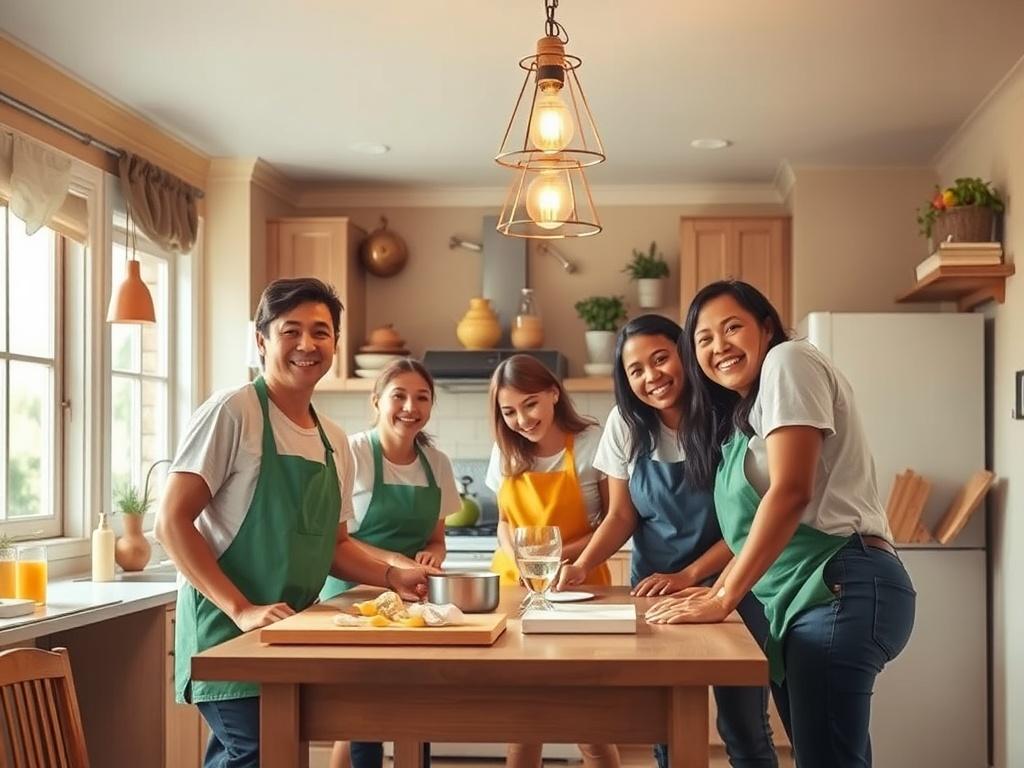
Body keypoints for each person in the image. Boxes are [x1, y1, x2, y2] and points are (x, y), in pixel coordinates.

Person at [157, 277, 428, 768]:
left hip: (292, 638)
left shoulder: (334, 439)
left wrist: (393, 577)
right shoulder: (234, 411)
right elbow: (171, 522)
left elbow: (334, 546)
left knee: (270, 754)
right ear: (261, 341)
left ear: (336, 345)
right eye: (291, 331)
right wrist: (241, 609)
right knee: (259, 753)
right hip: (230, 633)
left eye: (321, 332)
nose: (307, 345)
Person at [648, 280, 916, 767]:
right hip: (800, 602)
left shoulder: (788, 362)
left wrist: (723, 596)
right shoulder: (743, 417)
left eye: (732, 327)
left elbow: (791, 491)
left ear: (766, 327)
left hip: (840, 584)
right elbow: (753, 530)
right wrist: (708, 588)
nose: (719, 346)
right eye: (703, 339)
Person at [558, 315, 777, 768]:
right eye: (635, 370)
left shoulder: (729, 415)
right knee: (665, 727)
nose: (651, 376)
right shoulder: (626, 423)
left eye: (661, 358)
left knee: (743, 728)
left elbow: (753, 522)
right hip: (654, 594)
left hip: (733, 586)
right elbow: (621, 515)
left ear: (685, 353)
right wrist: (583, 565)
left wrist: (690, 575)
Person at [321, 358, 460, 768]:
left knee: (415, 704)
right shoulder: (353, 451)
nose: (410, 407)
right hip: (352, 595)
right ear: (376, 400)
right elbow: (341, 538)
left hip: (412, 601)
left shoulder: (437, 463)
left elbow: (437, 538)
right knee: (362, 712)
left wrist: (433, 554)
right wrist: (395, 561)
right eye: (398, 395)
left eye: (422, 398)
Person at [486, 354, 619, 768]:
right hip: (514, 591)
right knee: (523, 718)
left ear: (553, 394)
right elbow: (505, 522)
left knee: (587, 715)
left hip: (579, 585)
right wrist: (518, 558)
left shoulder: (591, 443)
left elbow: (612, 522)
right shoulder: (505, 450)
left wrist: (552, 556)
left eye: (530, 404)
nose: (522, 420)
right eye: (509, 411)